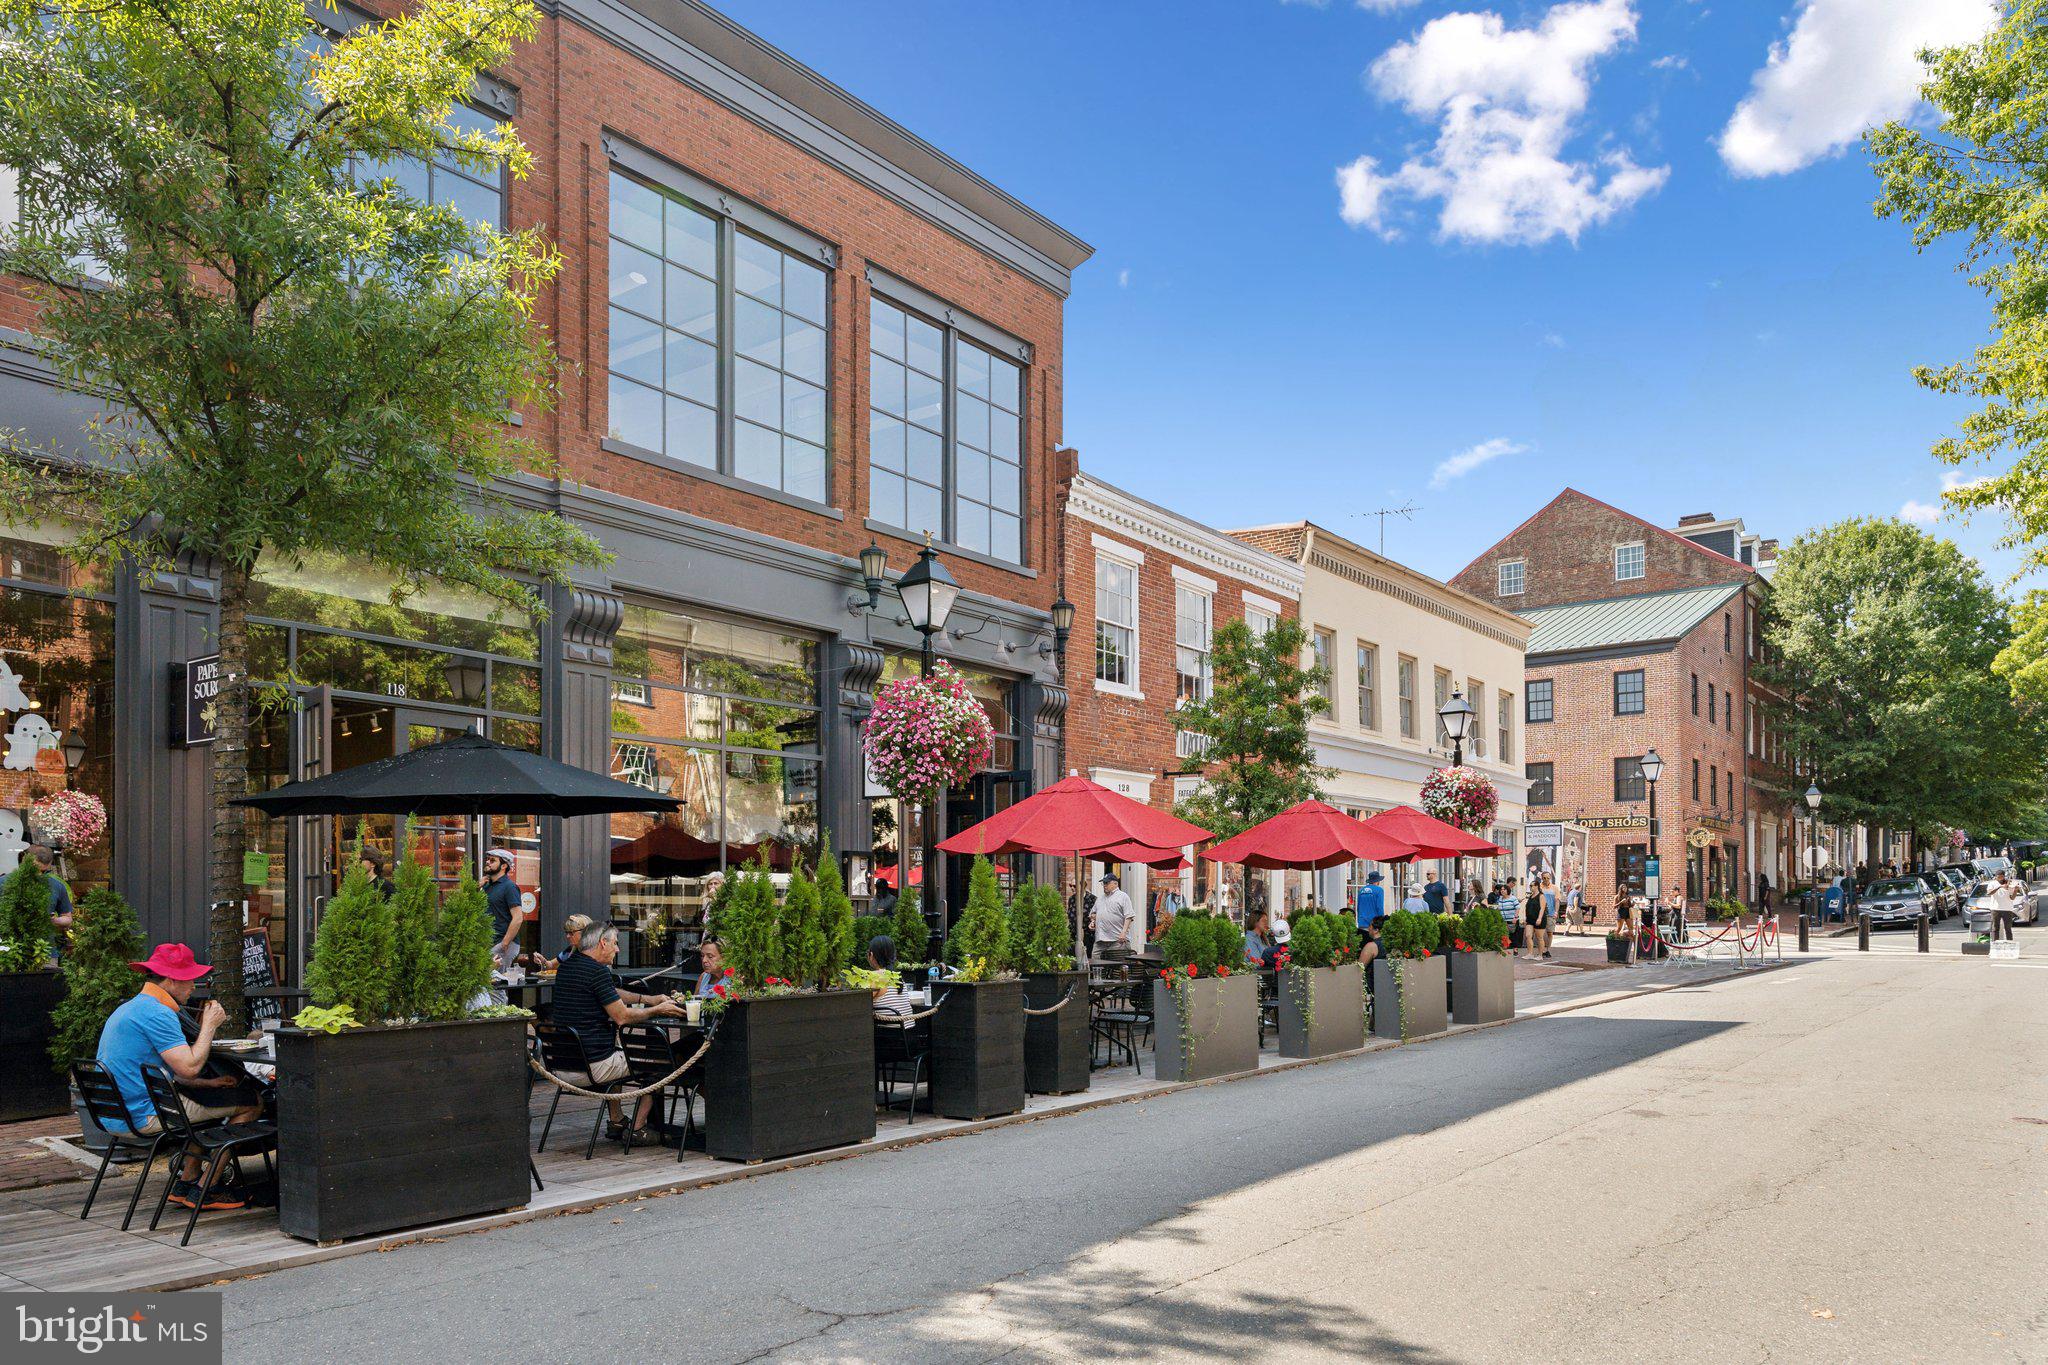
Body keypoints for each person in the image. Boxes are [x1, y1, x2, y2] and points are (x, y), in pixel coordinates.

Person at [95, 943, 264, 1211]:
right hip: (143, 1115)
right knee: (252, 1102)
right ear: (172, 980)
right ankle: (206, 1189)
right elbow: (189, 1068)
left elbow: (164, 1074)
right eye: (191, 980)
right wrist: (209, 1025)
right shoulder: (158, 1013)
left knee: (210, 1098)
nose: (194, 987)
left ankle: (186, 1182)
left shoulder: (130, 1008)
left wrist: (209, 1084)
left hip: (113, 1113)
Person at [552, 923, 686, 1140]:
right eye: (615, 943)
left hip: (563, 1064)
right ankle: (638, 1129)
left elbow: (610, 992)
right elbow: (621, 1017)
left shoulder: (568, 967)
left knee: (616, 1049)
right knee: (659, 1060)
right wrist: (657, 1009)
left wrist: (646, 999)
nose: (618, 950)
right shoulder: (597, 972)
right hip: (594, 1067)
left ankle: (616, 1121)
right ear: (602, 943)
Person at [25, 845, 73, 961]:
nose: (39, 875)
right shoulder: (5, 883)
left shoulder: (57, 885)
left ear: (50, 864)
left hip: (46, 952)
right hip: (11, 951)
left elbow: (68, 918)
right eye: (34, 869)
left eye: (43, 871)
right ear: (24, 859)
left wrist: (53, 920)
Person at [482, 848, 525, 972]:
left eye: (492, 860)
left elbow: (518, 918)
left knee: (496, 984)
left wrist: (505, 943)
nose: (487, 862)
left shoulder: (510, 887)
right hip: (491, 942)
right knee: (489, 984)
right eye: (488, 859)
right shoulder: (487, 886)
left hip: (503, 943)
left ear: (504, 866)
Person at [866, 934, 921, 1018]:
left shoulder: (876, 976)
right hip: (908, 1028)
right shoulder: (897, 975)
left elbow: (861, 1003)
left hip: (890, 1029)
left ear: (871, 955)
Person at [1091, 873, 1135, 956]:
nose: (1104, 885)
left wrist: (1123, 933)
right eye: (1103, 883)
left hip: (1117, 940)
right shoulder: (1100, 898)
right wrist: (1093, 921)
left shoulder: (1123, 896)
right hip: (1100, 940)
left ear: (1115, 883)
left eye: (1107, 883)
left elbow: (1129, 916)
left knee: (1117, 966)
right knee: (1095, 964)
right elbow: (1093, 914)